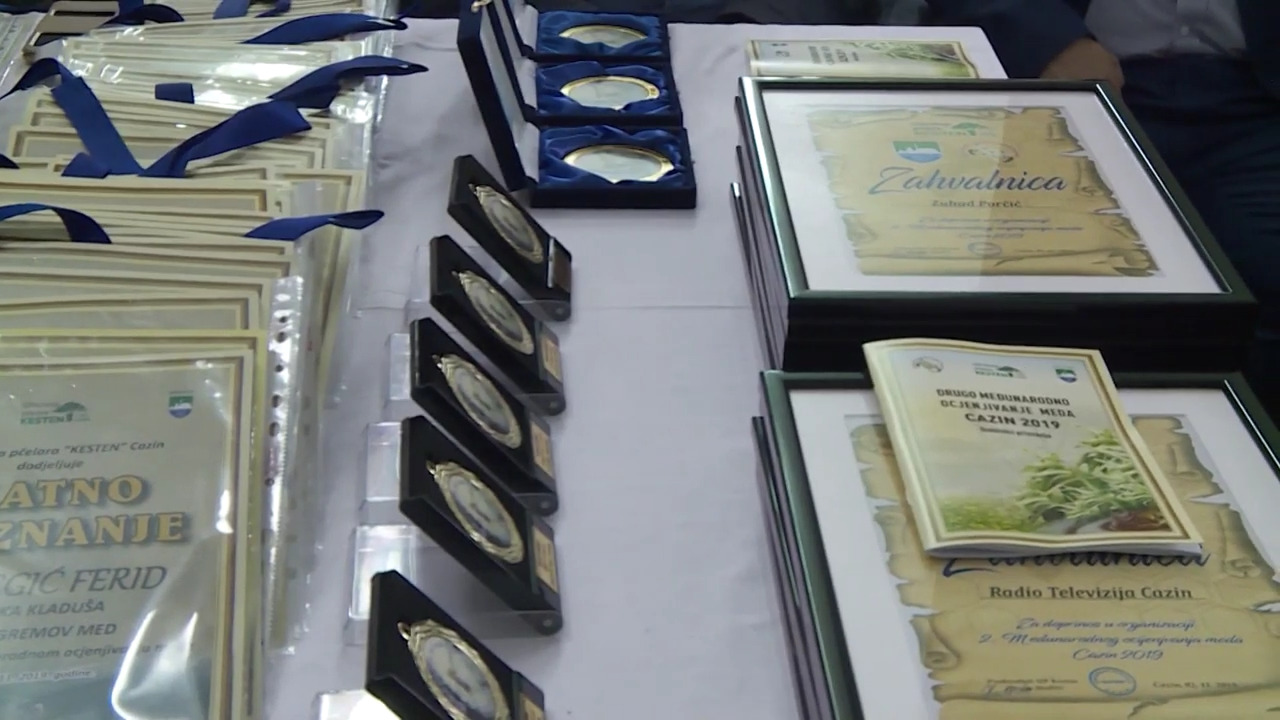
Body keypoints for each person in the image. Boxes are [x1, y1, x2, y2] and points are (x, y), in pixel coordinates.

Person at [924, 0, 1280, 409]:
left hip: (1257, 98)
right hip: (1057, 75)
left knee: (1268, 281)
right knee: (1028, 284)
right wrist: (1048, 40)